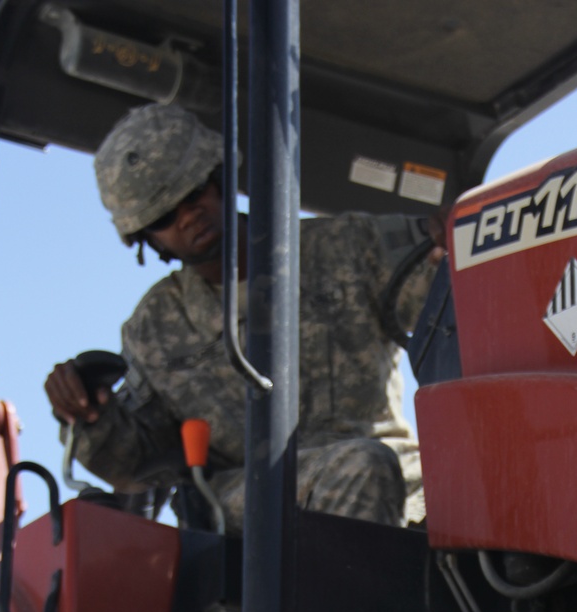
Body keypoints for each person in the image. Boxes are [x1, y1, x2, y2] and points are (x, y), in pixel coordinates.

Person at [45, 103, 439, 531]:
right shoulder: (154, 328)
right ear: (146, 238)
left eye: (193, 193)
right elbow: (140, 465)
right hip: (248, 495)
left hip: (393, 469)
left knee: (494, 477)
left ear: (218, 178)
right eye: (163, 217)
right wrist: (90, 418)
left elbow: (446, 296)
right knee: (363, 468)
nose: (187, 217)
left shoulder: (343, 247)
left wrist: (463, 247)